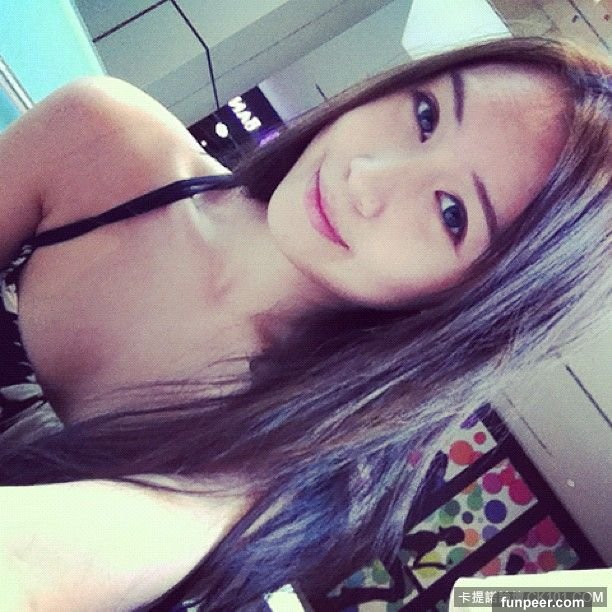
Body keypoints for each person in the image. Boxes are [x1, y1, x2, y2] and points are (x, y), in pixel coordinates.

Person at [0, 36, 609, 610]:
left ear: (479, 304)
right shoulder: (102, 138)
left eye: (452, 212)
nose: (367, 177)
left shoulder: (303, 463)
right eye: (425, 116)